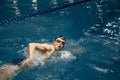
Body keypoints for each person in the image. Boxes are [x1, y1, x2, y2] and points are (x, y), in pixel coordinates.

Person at [0, 36, 66, 80]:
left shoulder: (54, 52)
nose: (60, 44)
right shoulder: (49, 48)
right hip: (21, 63)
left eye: (62, 43)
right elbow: (32, 44)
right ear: (54, 42)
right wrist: (31, 57)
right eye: (58, 41)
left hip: (20, 61)